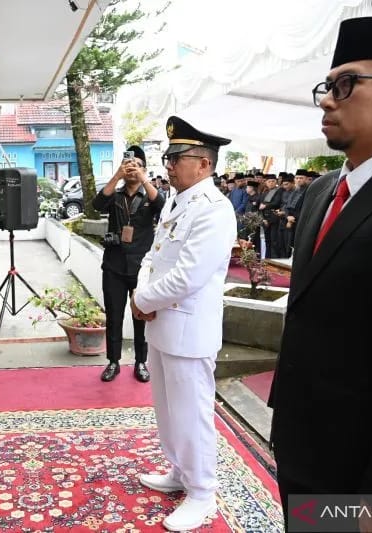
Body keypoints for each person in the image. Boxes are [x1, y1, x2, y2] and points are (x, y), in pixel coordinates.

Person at [269, 16, 372, 533]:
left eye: (346, 84)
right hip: (301, 440)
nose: (326, 99)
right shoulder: (322, 191)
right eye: (327, 85)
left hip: (363, 468)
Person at [131, 116, 236, 531]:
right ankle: (179, 471)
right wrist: (141, 293)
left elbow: (189, 275)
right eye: (168, 156)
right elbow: (153, 257)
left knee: (192, 413)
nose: (169, 164)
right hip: (162, 324)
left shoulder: (214, 210)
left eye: (178, 157)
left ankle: (203, 492)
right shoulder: (179, 203)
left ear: (205, 165)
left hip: (189, 330)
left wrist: (141, 299)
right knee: (168, 409)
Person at [93, 145, 164, 383]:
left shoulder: (149, 195)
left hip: (141, 268)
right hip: (113, 265)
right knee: (114, 315)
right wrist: (118, 175)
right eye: (129, 165)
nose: (133, 169)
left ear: (144, 169)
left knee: (141, 315)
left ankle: (141, 362)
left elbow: (161, 205)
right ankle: (113, 362)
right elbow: (96, 204)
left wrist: (143, 177)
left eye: (138, 166)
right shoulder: (116, 193)